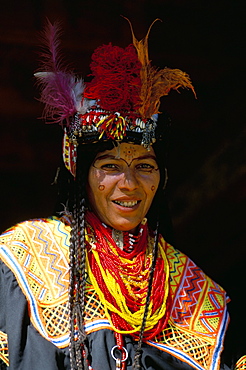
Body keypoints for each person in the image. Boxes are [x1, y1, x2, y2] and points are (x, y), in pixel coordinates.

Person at [0, 19, 245, 370]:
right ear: (81, 174)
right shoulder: (24, 258)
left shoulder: (195, 291)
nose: (129, 183)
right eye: (110, 166)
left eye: (145, 166)